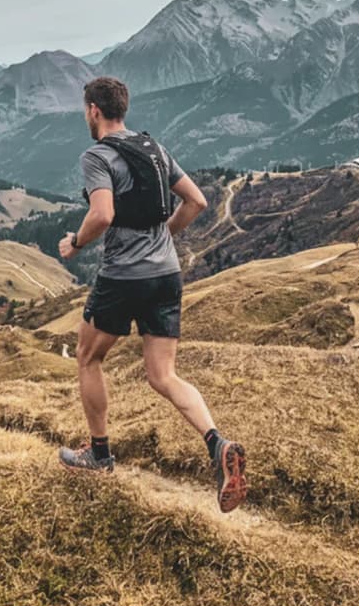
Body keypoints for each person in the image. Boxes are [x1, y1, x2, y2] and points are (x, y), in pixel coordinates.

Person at [56, 76, 248, 513]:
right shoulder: (155, 149)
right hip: (167, 275)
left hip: (123, 276)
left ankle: (99, 455)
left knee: (89, 358)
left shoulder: (97, 155)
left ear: (93, 111)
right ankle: (217, 443)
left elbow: (101, 214)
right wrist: (163, 237)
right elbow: (196, 201)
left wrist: (76, 243)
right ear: (123, 108)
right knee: (163, 376)